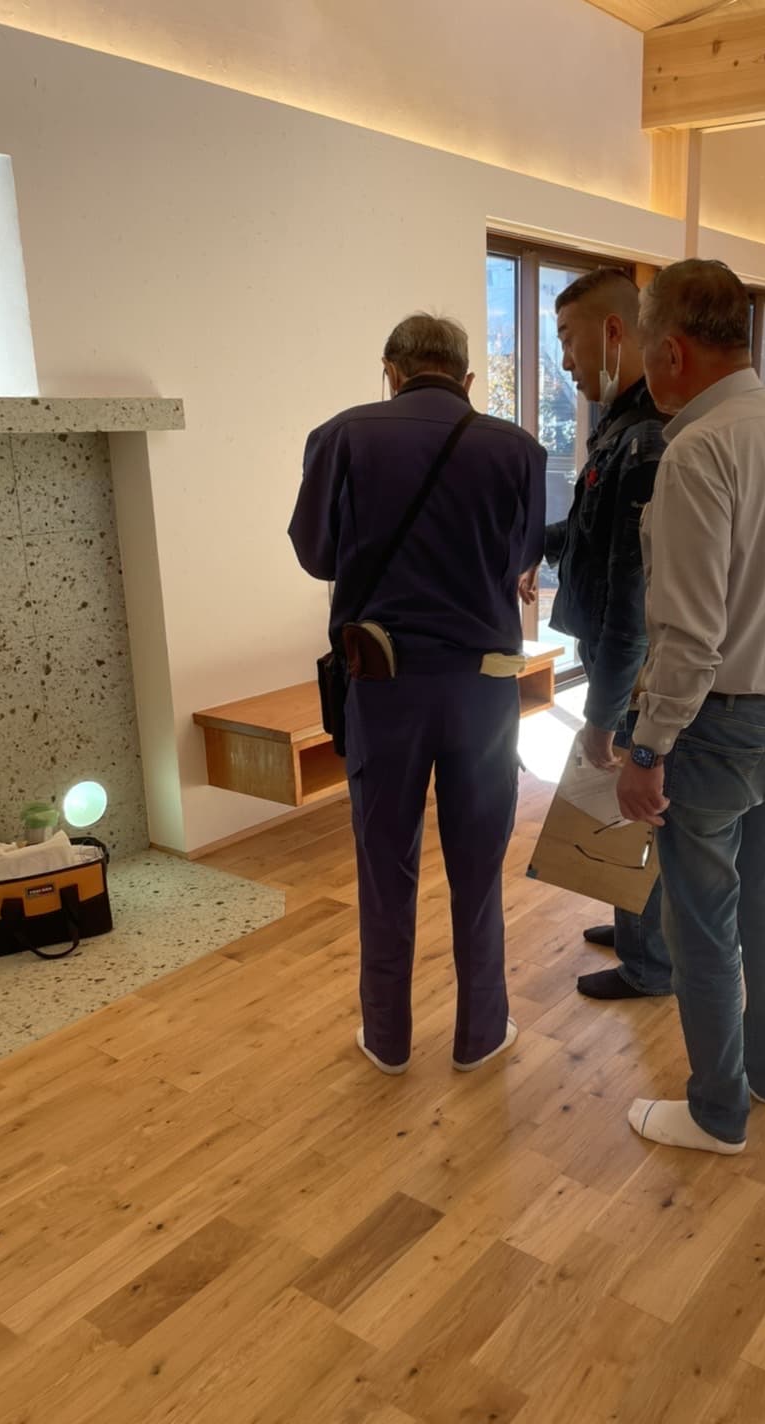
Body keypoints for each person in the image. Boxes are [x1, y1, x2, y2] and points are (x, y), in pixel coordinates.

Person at [617, 260, 765, 1154]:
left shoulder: (698, 451)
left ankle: (718, 1113)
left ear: (673, 351)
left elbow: (689, 634)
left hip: (711, 730)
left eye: (646, 346)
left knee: (702, 925)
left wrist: (648, 750)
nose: (645, 365)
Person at [290, 314, 546, 1074]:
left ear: (390, 371)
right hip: (483, 692)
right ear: (466, 379)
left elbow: (316, 555)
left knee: (385, 866)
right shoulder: (519, 450)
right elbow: (521, 554)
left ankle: (387, 1039)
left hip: (385, 689)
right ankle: (481, 1034)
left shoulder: (340, 436)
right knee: (478, 866)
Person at [540, 266, 672, 1002]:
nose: (564, 359)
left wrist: (601, 715)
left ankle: (651, 963)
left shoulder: (646, 436)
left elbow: (632, 597)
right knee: (625, 808)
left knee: (634, 803)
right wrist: (533, 545)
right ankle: (634, 931)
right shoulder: (619, 427)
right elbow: (590, 536)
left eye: (567, 338)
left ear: (614, 331)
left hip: (636, 666)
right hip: (617, 657)